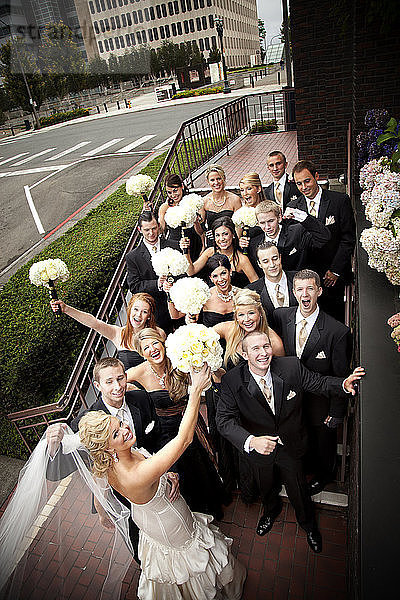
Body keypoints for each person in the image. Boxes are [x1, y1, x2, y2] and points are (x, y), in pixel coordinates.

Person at [0, 367, 246, 600]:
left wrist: (164, 474)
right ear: (107, 447)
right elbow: (183, 440)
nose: (126, 429)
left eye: (119, 425)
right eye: (117, 434)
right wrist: (194, 393)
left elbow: (123, 470)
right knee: (190, 560)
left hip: (147, 514)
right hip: (167, 522)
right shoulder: (135, 474)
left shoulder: (110, 459)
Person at [216, 330, 364, 553]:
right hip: (258, 449)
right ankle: (270, 512)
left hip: (291, 445)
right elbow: (223, 420)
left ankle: (309, 525)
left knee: (298, 490)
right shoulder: (231, 381)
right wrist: (251, 441)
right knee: (266, 487)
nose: (263, 353)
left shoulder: (291, 367)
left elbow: (318, 382)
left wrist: (343, 384)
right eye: (255, 349)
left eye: (266, 346)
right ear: (244, 354)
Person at [45, 356, 165, 565]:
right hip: (123, 496)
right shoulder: (87, 422)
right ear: (97, 385)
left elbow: (159, 438)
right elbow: (54, 473)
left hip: (155, 482)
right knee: (141, 545)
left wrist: (166, 471)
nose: (117, 387)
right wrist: (53, 447)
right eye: (109, 382)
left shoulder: (142, 399)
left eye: (120, 378)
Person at [126, 328, 229, 519]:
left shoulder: (179, 360)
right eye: (146, 347)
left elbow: (216, 375)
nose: (153, 349)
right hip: (165, 433)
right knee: (183, 470)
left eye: (155, 343)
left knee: (201, 461)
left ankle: (213, 503)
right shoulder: (137, 373)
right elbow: (116, 385)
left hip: (190, 421)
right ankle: (196, 509)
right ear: (141, 353)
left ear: (162, 343)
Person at [272, 269, 352, 494]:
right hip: (291, 400)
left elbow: (340, 375)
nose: (304, 294)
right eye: (299, 289)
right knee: (300, 439)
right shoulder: (282, 317)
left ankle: (325, 475)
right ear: (294, 292)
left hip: (320, 402)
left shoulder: (338, 332)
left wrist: (336, 412)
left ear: (319, 290)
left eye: (309, 288)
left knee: (323, 443)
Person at [289, 159, 356, 321]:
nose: (304, 187)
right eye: (299, 184)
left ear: (316, 177)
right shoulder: (293, 206)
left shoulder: (340, 201)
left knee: (335, 319)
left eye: (307, 181)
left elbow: (348, 238)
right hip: (307, 278)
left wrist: (336, 270)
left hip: (333, 276)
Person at [50, 293, 164, 371]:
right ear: (129, 310)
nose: (138, 315)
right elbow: (94, 323)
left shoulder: (158, 333)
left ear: (149, 316)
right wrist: (66, 309)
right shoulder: (118, 333)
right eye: (135, 309)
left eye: (144, 312)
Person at [125, 211, 178, 333]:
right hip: (156, 313)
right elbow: (134, 286)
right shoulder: (133, 257)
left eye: (154, 228)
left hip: (179, 307)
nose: (151, 233)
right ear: (140, 229)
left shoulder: (174, 246)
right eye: (147, 230)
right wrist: (157, 283)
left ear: (159, 226)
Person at [248, 200, 331, 277]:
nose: (267, 227)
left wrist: (303, 217)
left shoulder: (297, 231)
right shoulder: (254, 243)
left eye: (271, 221)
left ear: (279, 218)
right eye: (262, 223)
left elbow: (324, 237)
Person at [213, 288, 285, 369]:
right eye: (241, 315)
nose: (246, 319)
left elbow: (281, 373)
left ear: (260, 313)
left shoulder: (274, 342)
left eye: (251, 313)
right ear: (236, 317)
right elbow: (201, 337)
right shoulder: (228, 329)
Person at [186, 216, 258, 287]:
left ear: (233, 234)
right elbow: (191, 271)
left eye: (225, 234)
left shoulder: (242, 259)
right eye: (217, 235)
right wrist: (186, 250)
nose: (221, 239)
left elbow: (256, 284)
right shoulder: (210, 252)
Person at [246, 241, 298, 324]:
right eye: (265, 261)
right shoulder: (251, 290)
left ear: (280, 258)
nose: (272, 264)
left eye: (275, 258)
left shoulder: (298, 279)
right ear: (259, 264)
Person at [158, 173, 204, 261]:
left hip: (193, 243)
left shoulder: (192, 202)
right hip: (174, 244)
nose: (173, 195)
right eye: (169, 192)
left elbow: (201, 231)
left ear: (182, 186)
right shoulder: (164, 207)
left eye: (175, 190)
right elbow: (161, 229)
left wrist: (196, 221)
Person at [199, 164, 242, 246]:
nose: (216, 183)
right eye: (212, 180)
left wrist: (237, 242)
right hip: (212, 243)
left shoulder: (235, 199)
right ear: (208, 182)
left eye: (219, 179)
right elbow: (201, 230)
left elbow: (238, 226)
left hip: (231, 241)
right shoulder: (204, 201)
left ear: (224, 179)